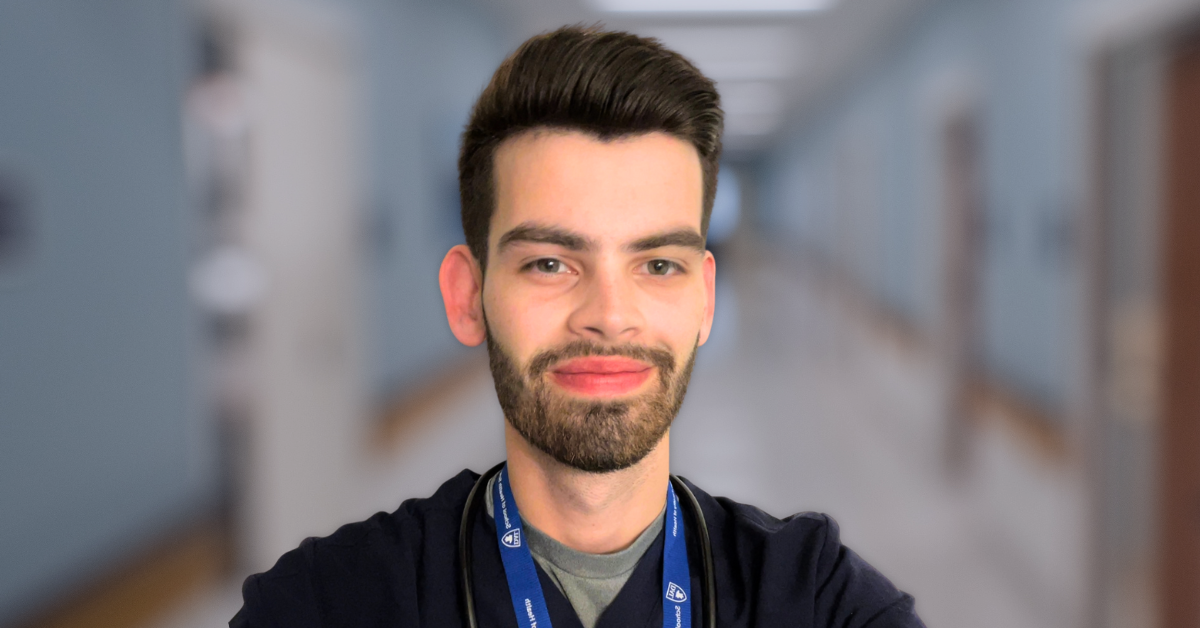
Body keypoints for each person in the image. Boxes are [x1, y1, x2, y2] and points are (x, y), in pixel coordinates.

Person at [230, 25, 925, 628]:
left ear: (706, 299)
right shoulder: (326, 604)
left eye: (657, 264)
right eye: (551, 263)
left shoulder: (818, 601)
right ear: (468, 296)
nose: (609, 316)